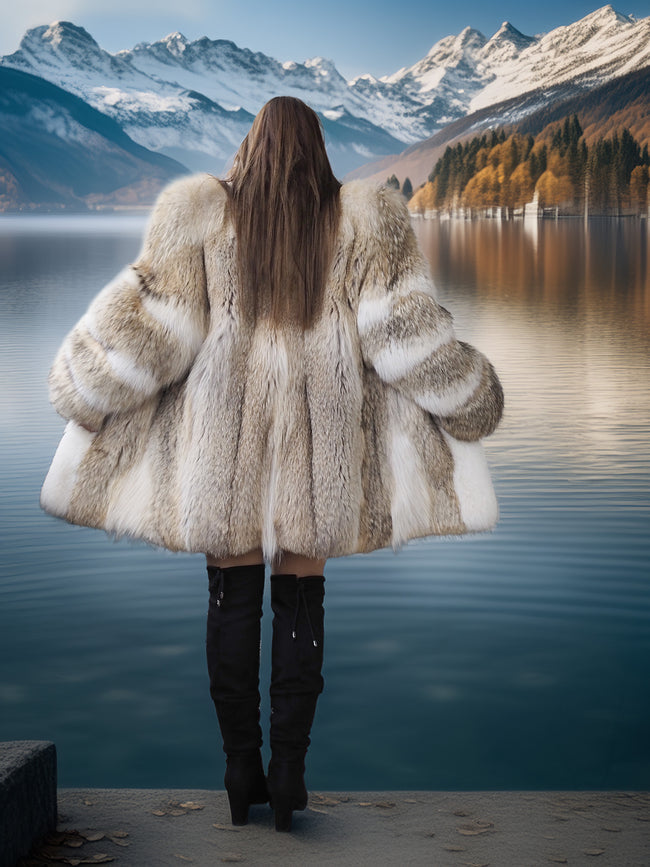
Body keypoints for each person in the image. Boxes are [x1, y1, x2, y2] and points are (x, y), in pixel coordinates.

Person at [41, 96, 504, 832]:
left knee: (230, 596)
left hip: (220, 449)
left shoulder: (198, 215)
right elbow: (403, 338)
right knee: (302, 596)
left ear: (249, 147)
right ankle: (290, 771)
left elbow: (151, 331)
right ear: (318, 149)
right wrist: (473, 398)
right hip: (321, 449)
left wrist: (83, 386)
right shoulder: (362, 219)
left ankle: (237, 769)